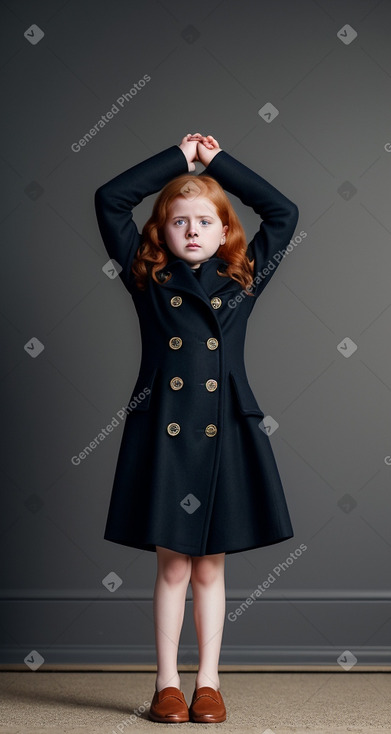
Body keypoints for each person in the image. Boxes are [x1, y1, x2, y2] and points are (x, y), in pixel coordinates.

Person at [94, 133, 299, 723]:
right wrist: (177, 161)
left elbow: (284, 212)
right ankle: (166, 685)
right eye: (178, 221)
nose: (190, 231)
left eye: (204, 221)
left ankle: (207, 683)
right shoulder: (147, 277)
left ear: (224, 232)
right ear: (159, 232)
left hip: (225, 427)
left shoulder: (242, 277)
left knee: (211, 565)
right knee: (172, 564)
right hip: (164, 429)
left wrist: (217, 163)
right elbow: (110, 199)